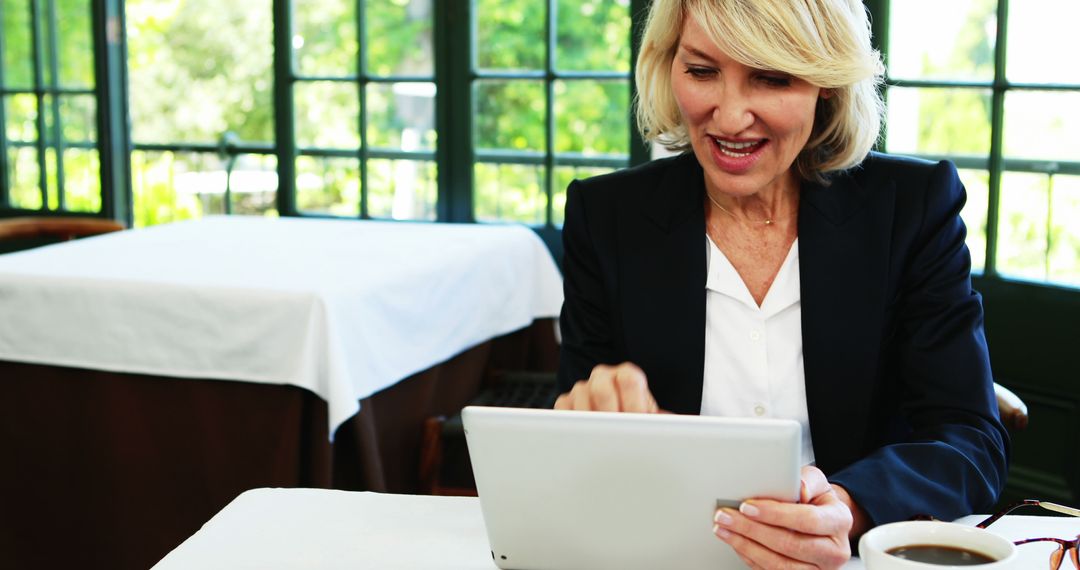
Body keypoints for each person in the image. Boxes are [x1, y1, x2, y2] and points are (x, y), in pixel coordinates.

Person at [553, 0, 1009, 567]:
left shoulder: (912, 208)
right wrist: (586, 411)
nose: (729, 116)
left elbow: (969, 440)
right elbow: (573, 429)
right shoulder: (606, 216)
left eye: (770, 77)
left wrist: (847, 507)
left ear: (827, 85)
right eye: (701, 71)